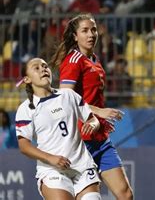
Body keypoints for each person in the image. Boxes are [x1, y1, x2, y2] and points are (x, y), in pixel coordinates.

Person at [50, 14, 133, 200]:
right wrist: (99, 111)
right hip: (79, 140)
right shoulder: (74, 60)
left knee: (125, 194)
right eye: (85, 30)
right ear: (75, 36)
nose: (91, 34)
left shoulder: (94, 59)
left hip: (99, 137)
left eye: (93, 30)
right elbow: (65, 98)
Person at [15, 58, 101, 200]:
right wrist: (51, 158)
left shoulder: (68, 95)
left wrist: (92, 125)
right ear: (27, 79)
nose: (43, 69)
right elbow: (24, 146)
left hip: (82, 166)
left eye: (45, 66)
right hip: (52, 170)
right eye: (36, 68)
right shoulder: (26, 109)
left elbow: (93, 119)